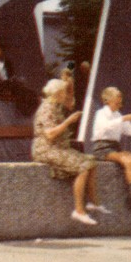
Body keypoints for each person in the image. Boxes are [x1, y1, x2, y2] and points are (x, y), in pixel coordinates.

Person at [33, 78, 106, 225]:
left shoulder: (56, 106)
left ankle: (93, 203)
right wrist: (68, 121)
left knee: (91, 161)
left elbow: (70, 103)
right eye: (64, 92)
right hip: (46, 149)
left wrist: (70, 92)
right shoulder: (46, 108)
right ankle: (79, 211)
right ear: (57, 93)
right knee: (83, 166)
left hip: (59, 148)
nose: (66, 95)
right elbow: (50, 134)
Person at [91, 87, 131, 210]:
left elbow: (129, 131)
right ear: (108, 100)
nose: (120, 103)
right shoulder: (101, 113)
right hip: (102, 147)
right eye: (117, 101)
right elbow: (105, 127)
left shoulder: (117, 115)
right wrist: (123, 119)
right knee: (127, 160)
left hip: (114, 147)